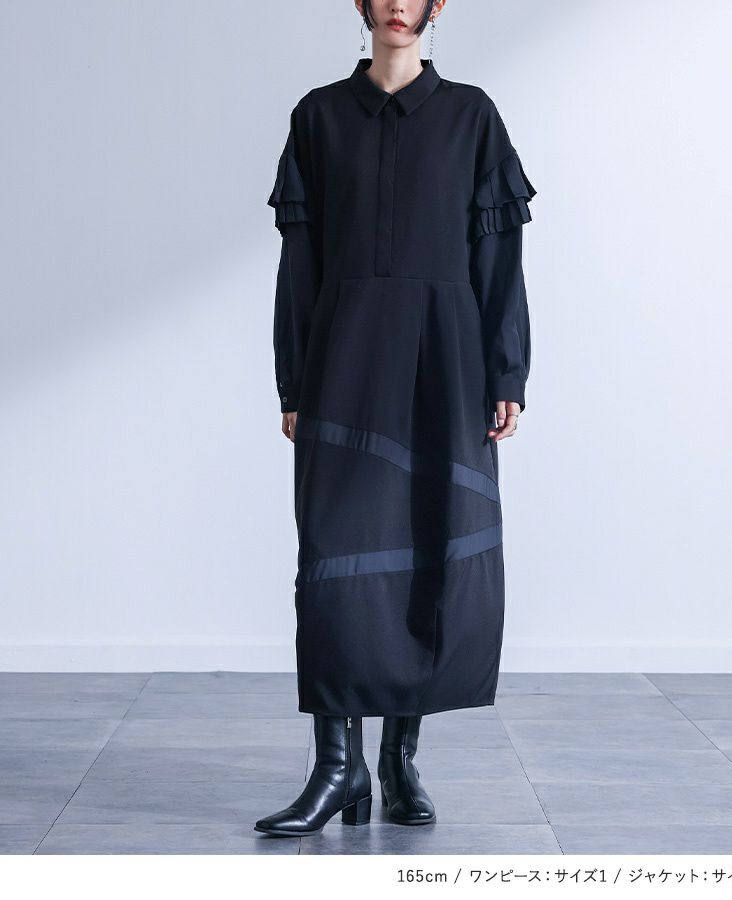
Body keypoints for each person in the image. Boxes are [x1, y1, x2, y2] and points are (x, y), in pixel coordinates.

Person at [255, 0, 535, 837]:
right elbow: (299, 262)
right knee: (333, 558)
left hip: (446, 360)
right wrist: (294, 381)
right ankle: (335, 766)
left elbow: (499, 257)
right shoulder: (318, 117)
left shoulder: (472, 116)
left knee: (429, 551)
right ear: (362, 4)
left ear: (437, 5)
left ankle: (398, 761)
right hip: (343, 359)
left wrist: (506, 370)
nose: (397, 5)